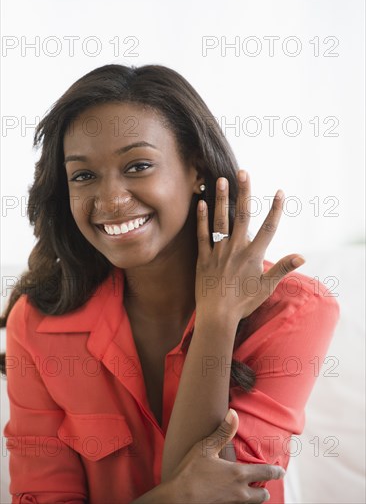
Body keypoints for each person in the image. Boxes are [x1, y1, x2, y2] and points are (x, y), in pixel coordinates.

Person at [1, 64, 339, 504]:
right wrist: (177, 495)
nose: (110, 201)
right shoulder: (40, 321)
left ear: (195, 168)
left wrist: (217, 318)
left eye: (138, 165)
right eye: (83, 176)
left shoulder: (293, 310)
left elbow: (226, 495)